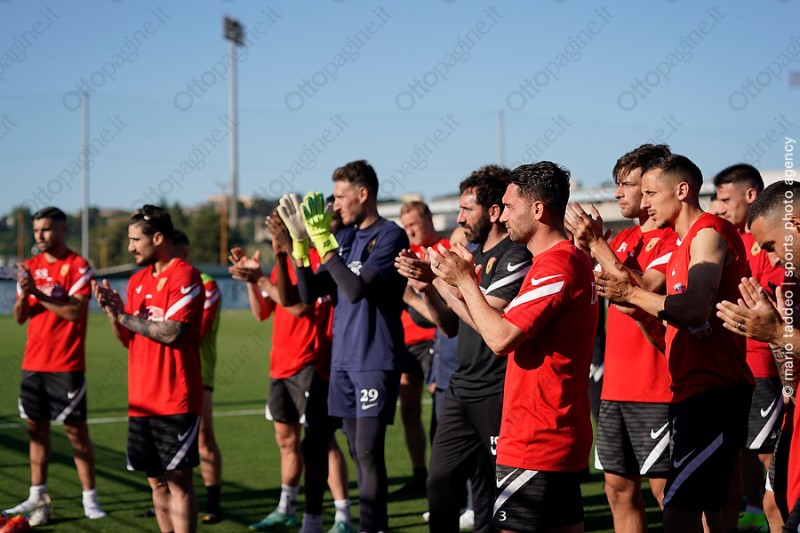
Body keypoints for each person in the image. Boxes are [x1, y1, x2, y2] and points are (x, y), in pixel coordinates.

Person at [430, 162, 597, 532]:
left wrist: (465, 282)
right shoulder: (560, 261)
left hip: (538, 437)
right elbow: (498, 328)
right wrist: (452, 288)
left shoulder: (557, 265)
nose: (503, 216)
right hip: (551, 433)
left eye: (509, 207)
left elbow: (499, 339)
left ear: (537, 209)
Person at [595, 154, 755, 533]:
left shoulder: (708, 232)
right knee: (710, 512)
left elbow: (696, 309)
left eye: (651, 193)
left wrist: (631, 296)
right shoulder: (686, 242)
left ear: (682, 191)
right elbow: (674, 322)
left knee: (680, 511)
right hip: (691, 391)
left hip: (715, 392)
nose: (645, 202)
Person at [396, 164, 531, 533]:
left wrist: (442, 281)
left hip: (497, 390)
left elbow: (491, 321)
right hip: (462, 386)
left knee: (490, 491)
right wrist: (426, 286)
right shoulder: (470, 255)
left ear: (493, 212)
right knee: (439, 482)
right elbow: (450, 325)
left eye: (467, 209)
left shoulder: (515, 256)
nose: (459, 218)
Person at [284, 160, 409, 533]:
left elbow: (355, 290)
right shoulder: (347, 239)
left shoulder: (390, 235)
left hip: (375, 359)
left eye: (340, 196)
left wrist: (324, 245)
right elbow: (308, 292)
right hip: (342, 364)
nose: (334, 205)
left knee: (368, 451)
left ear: (362, 194)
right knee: (357, 451)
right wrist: (300, 245)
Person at [565, 143, 677, 532]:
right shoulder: (624, 238)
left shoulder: (672, 239)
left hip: (657, 388)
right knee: (617, 489)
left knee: (667, 493)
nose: (618, 193)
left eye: (627, 184)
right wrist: (584, 250)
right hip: (615, 388)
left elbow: (644, 291)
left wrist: (598, 245)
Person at [229, 208, 352, 533]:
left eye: (279, 232)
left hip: (310, 364)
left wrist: (261, 279)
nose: (275, 238)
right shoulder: (279, 265)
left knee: (322, 442)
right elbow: (261, 312)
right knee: (286, 441)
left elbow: (297, 307)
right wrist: (252, 281)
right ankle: (286, 508)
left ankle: (343, 516)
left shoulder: (315, 262)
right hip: (280, 365)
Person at [93, 204, 204, 533]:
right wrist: (114, 315)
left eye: (135, 240)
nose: (130, 247)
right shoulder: (137, 281)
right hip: (141, 400)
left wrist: (124, 316)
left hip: (175, 398)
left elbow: (171, 332)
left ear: (157, 238)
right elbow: (128, 339)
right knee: (156, 481)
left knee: (179, 481)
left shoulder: (184, 274)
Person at [4, 206, 106, 526]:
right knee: (36, 432)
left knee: (76, 433)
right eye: (36, 230)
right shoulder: (31, 268)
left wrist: (37, 292)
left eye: (46, 229)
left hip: (66, 364)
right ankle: (37, 494)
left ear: (63, 230)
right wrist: (25, 295)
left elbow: (74, 312)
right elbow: (20, 317)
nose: (40, 236)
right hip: (33, 364)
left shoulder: (78, 266)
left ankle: (89, 498)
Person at [715, 180, 800, 530]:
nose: (771, 259)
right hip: (795, 417)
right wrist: (777, 340)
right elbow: (791, 371)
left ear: (795, 225)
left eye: (771, 246)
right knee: (773, 505)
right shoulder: (792, 283)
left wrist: (777, 334)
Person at [394, 200, 450, 495]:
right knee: (409, 411)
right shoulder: (405, 254)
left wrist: (411, 297)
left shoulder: (444, 250)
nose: (410, 230)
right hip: (407, 344)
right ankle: (419, 474)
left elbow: (446, 312)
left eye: (414, 223)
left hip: (434, 341)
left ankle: (442, 479)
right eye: (406, 226)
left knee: (441, 414)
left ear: (429, 219)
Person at [173, 230, 225, 524]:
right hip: (162, 375)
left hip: (198, 373)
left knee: (204, 438)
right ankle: (166, 499)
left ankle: (213, 502)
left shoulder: (206, 284)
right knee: (165, 442)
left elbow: (196, 332)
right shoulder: (155, 281)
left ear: (183, 252)